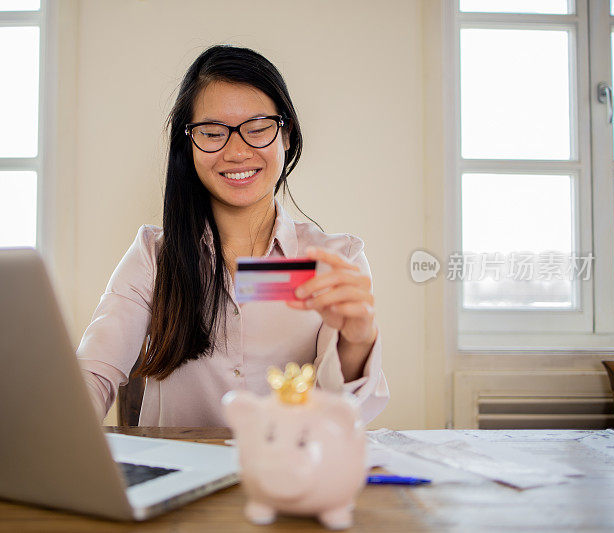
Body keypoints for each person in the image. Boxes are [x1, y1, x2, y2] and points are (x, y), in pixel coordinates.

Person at [76, 45, 389, 426]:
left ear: (286, 135)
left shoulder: (334, 259)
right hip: (179, 480)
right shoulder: (153, 256)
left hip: (289, 476)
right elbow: (93, 372)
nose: (237, 152)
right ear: (188, 143)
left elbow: (339, 413)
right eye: (212, 133)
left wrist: (357, 342)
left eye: (257, 129)